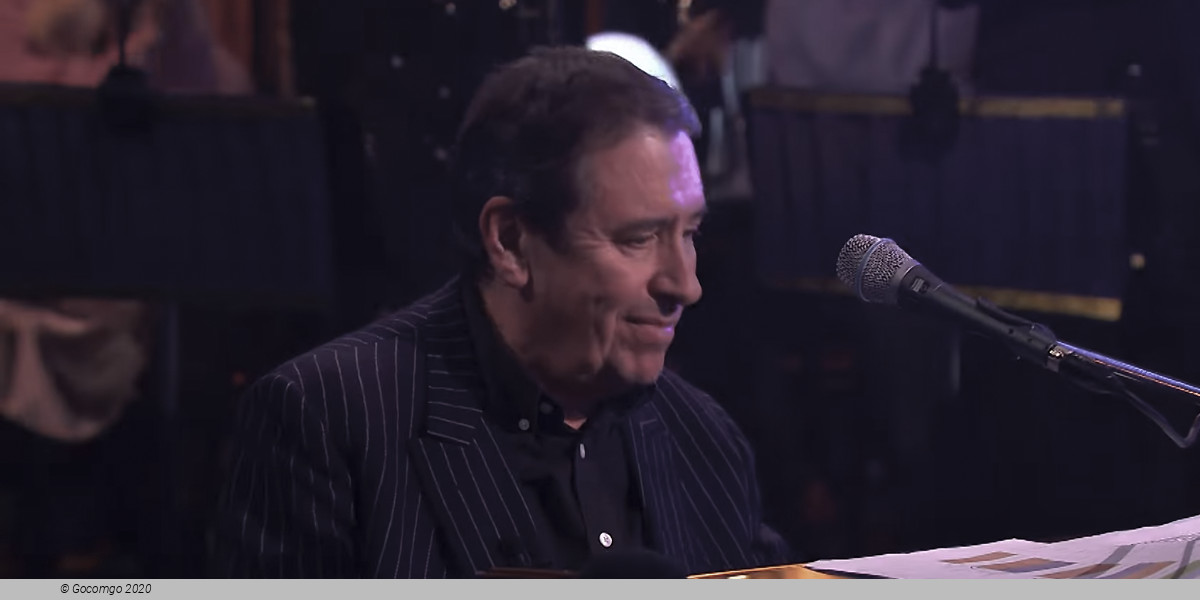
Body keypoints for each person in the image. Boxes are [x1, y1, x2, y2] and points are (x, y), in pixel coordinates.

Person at [211, 45, 793, 578]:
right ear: (511, 242)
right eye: (639, 239)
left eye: (689, 234)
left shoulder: (704, 440)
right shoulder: (327, 422)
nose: (685, 285)